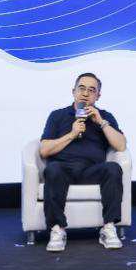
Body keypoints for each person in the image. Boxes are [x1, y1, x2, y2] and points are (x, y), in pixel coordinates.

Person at [39, 72, 127, 252]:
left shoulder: (105, 116)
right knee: (53, 169)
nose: (85, 94)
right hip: (63, 169)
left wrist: (101, 122)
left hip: (92, 170)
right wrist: (72, 134)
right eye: (82, 88)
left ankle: (109, 227)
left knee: (113, 168)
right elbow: (44, 149)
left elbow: (121, 145)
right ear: (73, 91)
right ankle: (57, 229)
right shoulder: (58, 115)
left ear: (98, 96)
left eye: (91, 90)